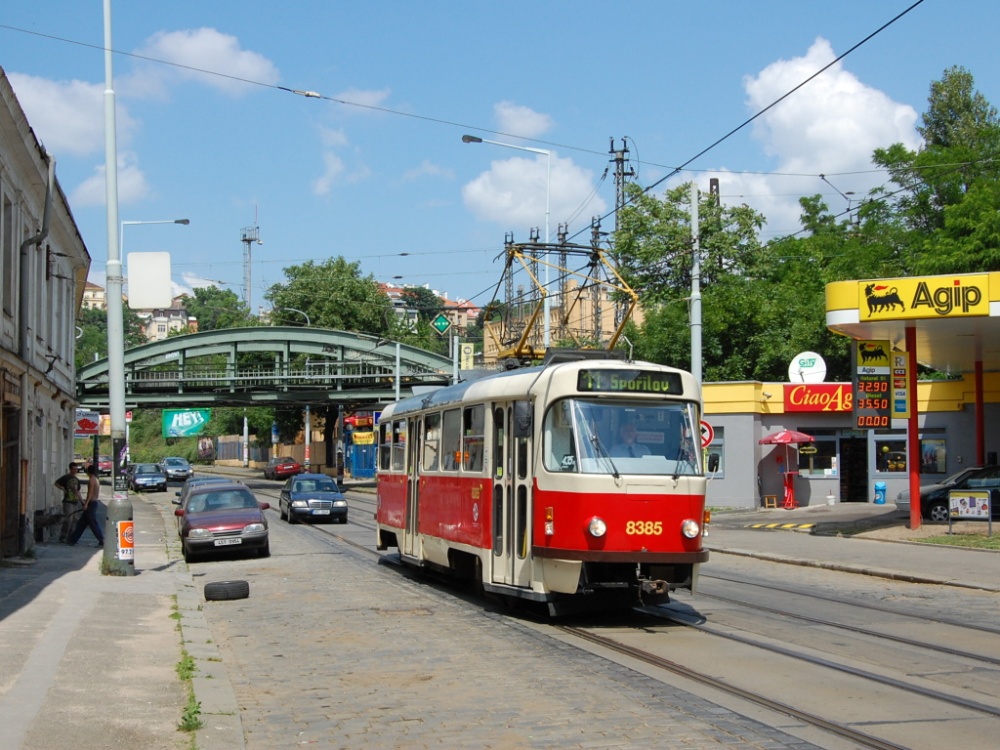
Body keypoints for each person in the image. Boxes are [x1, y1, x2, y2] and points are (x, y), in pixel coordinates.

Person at [67, 464, 105, 547]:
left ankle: (102, 540)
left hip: (91, 503)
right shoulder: (96, 479)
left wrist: (86, 504)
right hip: (93, 502)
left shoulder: (91, 480)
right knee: (82, 523)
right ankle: (73, 540)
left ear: (88, 472)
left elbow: (90, 493)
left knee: (93, 523)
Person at [54, 462, 82, 543]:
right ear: (70, 469)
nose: (75, 471)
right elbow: (56, 483)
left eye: (76, 469)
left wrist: (82, 501)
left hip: (75, 501)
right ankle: (63, 536)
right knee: (68, 519)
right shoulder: (66, 477)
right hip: (67, 501)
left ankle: (71, 537)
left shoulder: (77, 479)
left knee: (74, 520)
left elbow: (78, 491)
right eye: (73, 469)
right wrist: (63, 489)